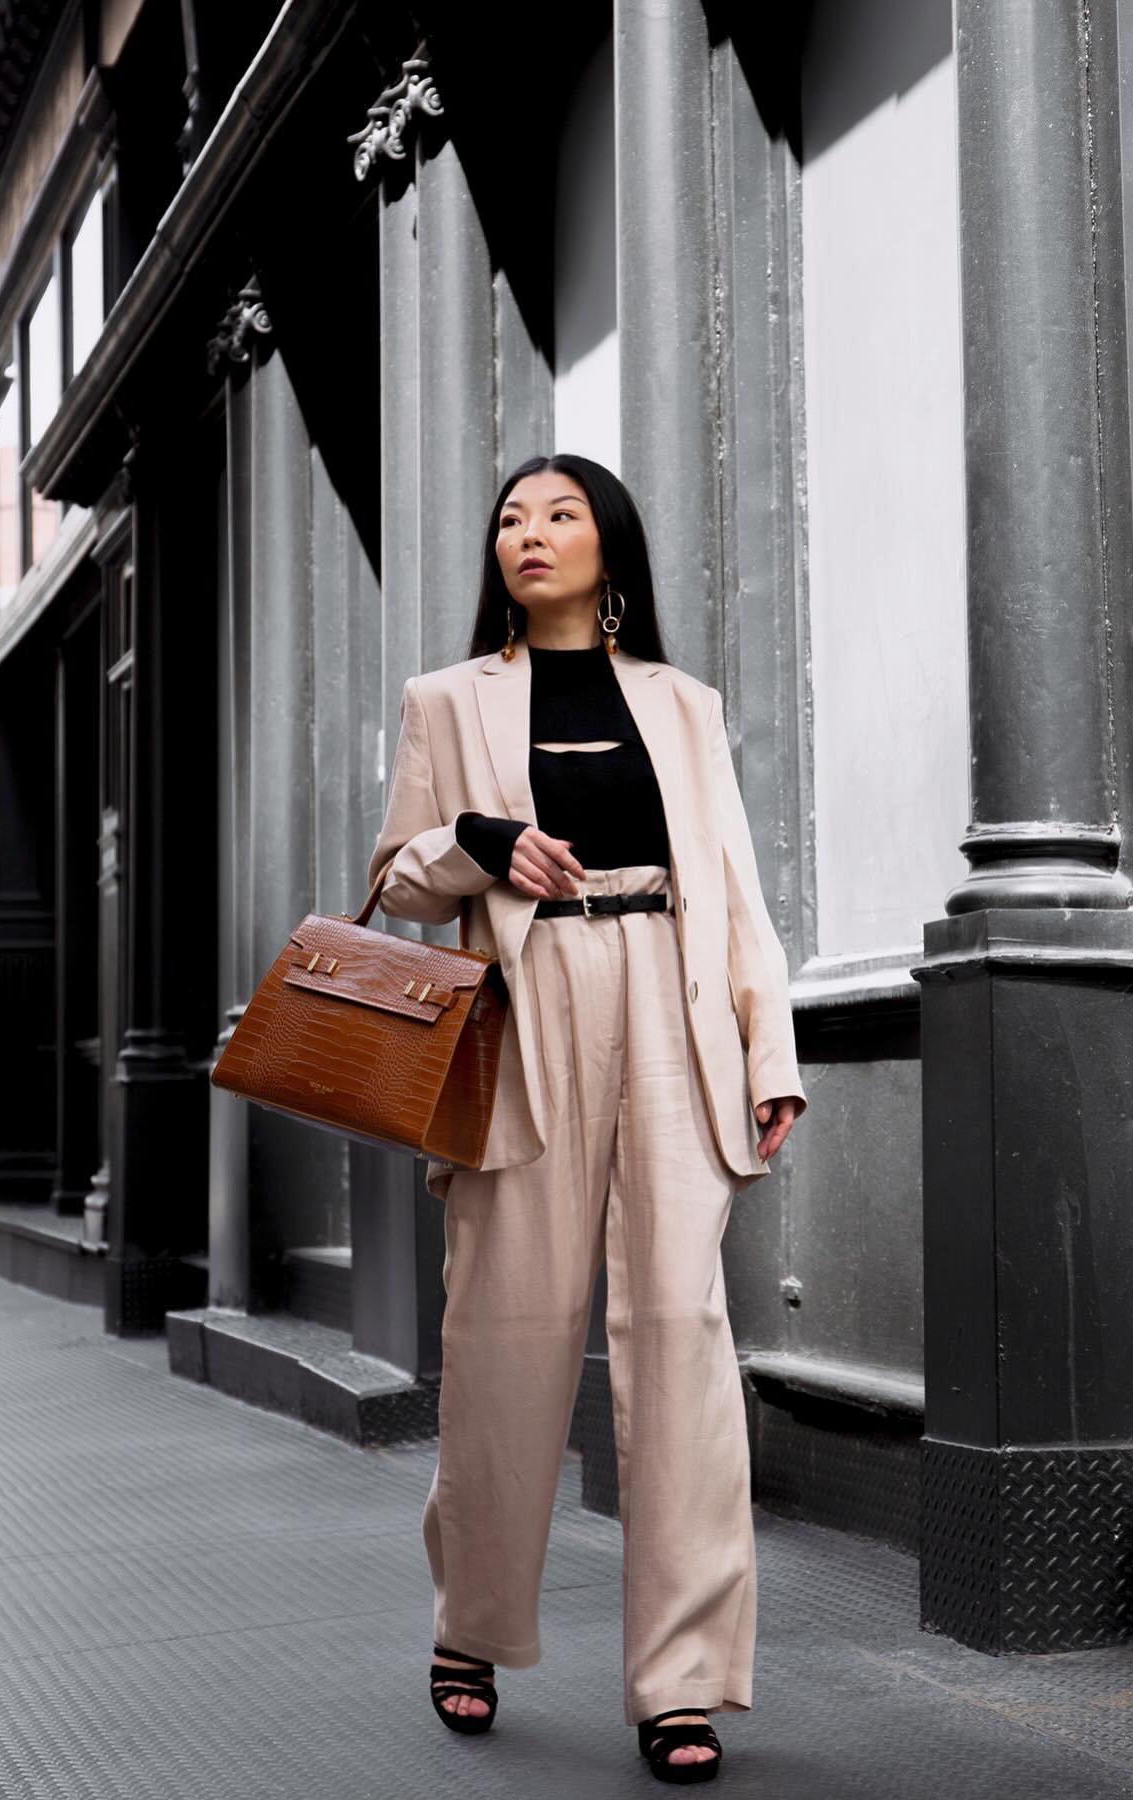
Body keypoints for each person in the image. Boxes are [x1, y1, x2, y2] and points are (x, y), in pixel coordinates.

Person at [366, 453, 806, 1784]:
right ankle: (471, 1626)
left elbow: (730, 884)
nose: (531, 534)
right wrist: (482, 844)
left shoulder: (683, 704)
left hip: (672, 1005)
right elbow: (395, 881)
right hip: (530, 1011)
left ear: (610, 547)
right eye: (509, 516)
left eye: (561, 514)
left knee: (682, 1335)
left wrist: (765, 1044)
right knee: (503, 1338)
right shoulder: (448, 702)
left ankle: (679, 1681)